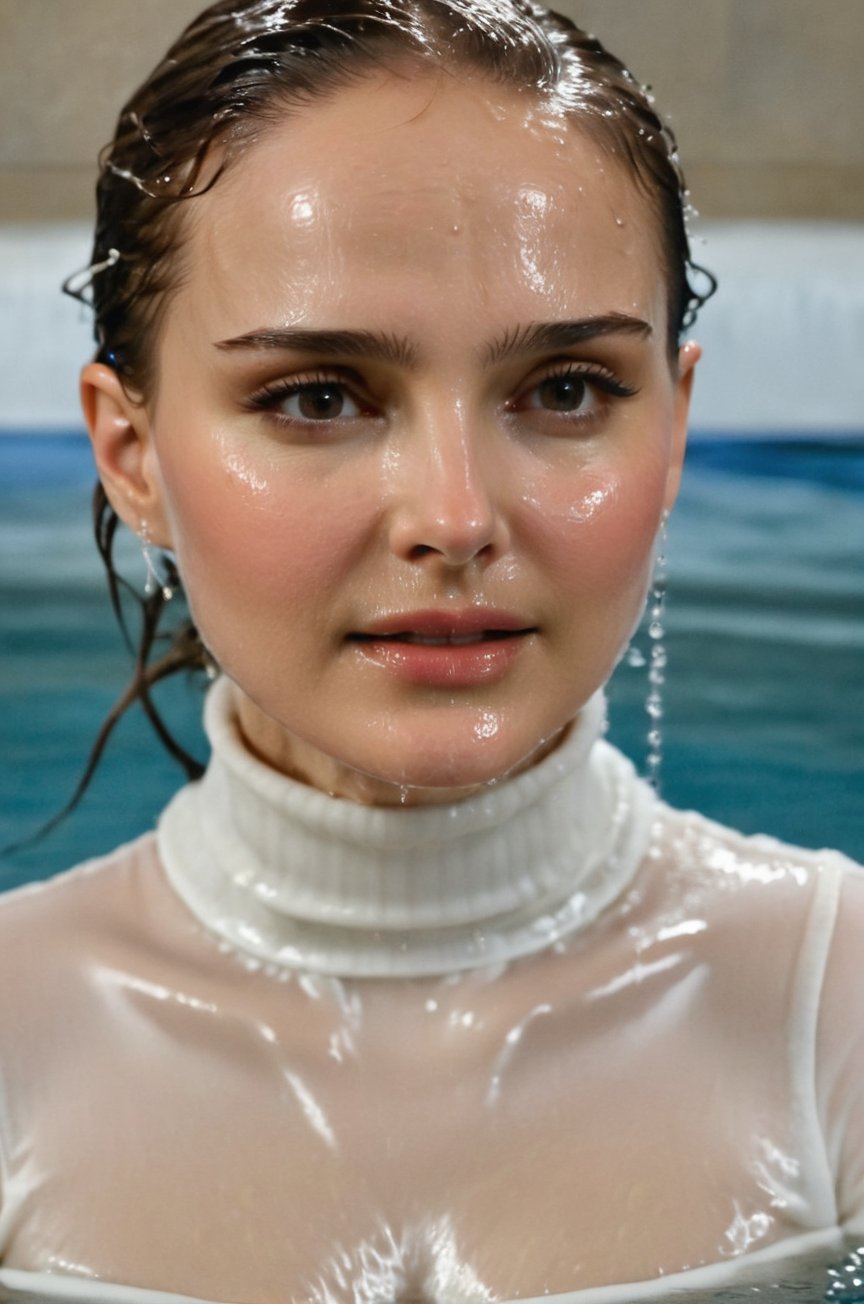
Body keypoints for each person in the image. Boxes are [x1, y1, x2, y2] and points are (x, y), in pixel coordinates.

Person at [0, 2, 861, 1301]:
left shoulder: (838, 1013)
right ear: (133, 457)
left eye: (566, 389)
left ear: (675, 429)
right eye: (319, 397)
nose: (456, 518)